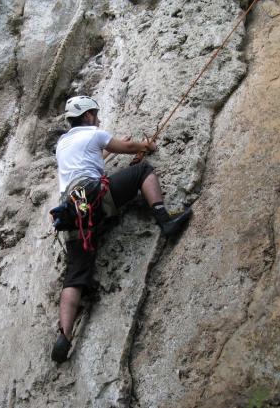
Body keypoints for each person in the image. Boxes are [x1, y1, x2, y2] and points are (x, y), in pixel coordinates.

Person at [51, 95, 192, 363]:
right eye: (96, 114)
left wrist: (112, 150)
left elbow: (92, 158)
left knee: (75, 275)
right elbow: (127, 147)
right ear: (89, 116)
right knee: (142, 172)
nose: (98, 118)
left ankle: (64, 336)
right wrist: (145, 145)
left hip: (74, 211)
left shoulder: (63, 144)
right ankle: (166, 220)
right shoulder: (93, 133)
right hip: (94, 198)